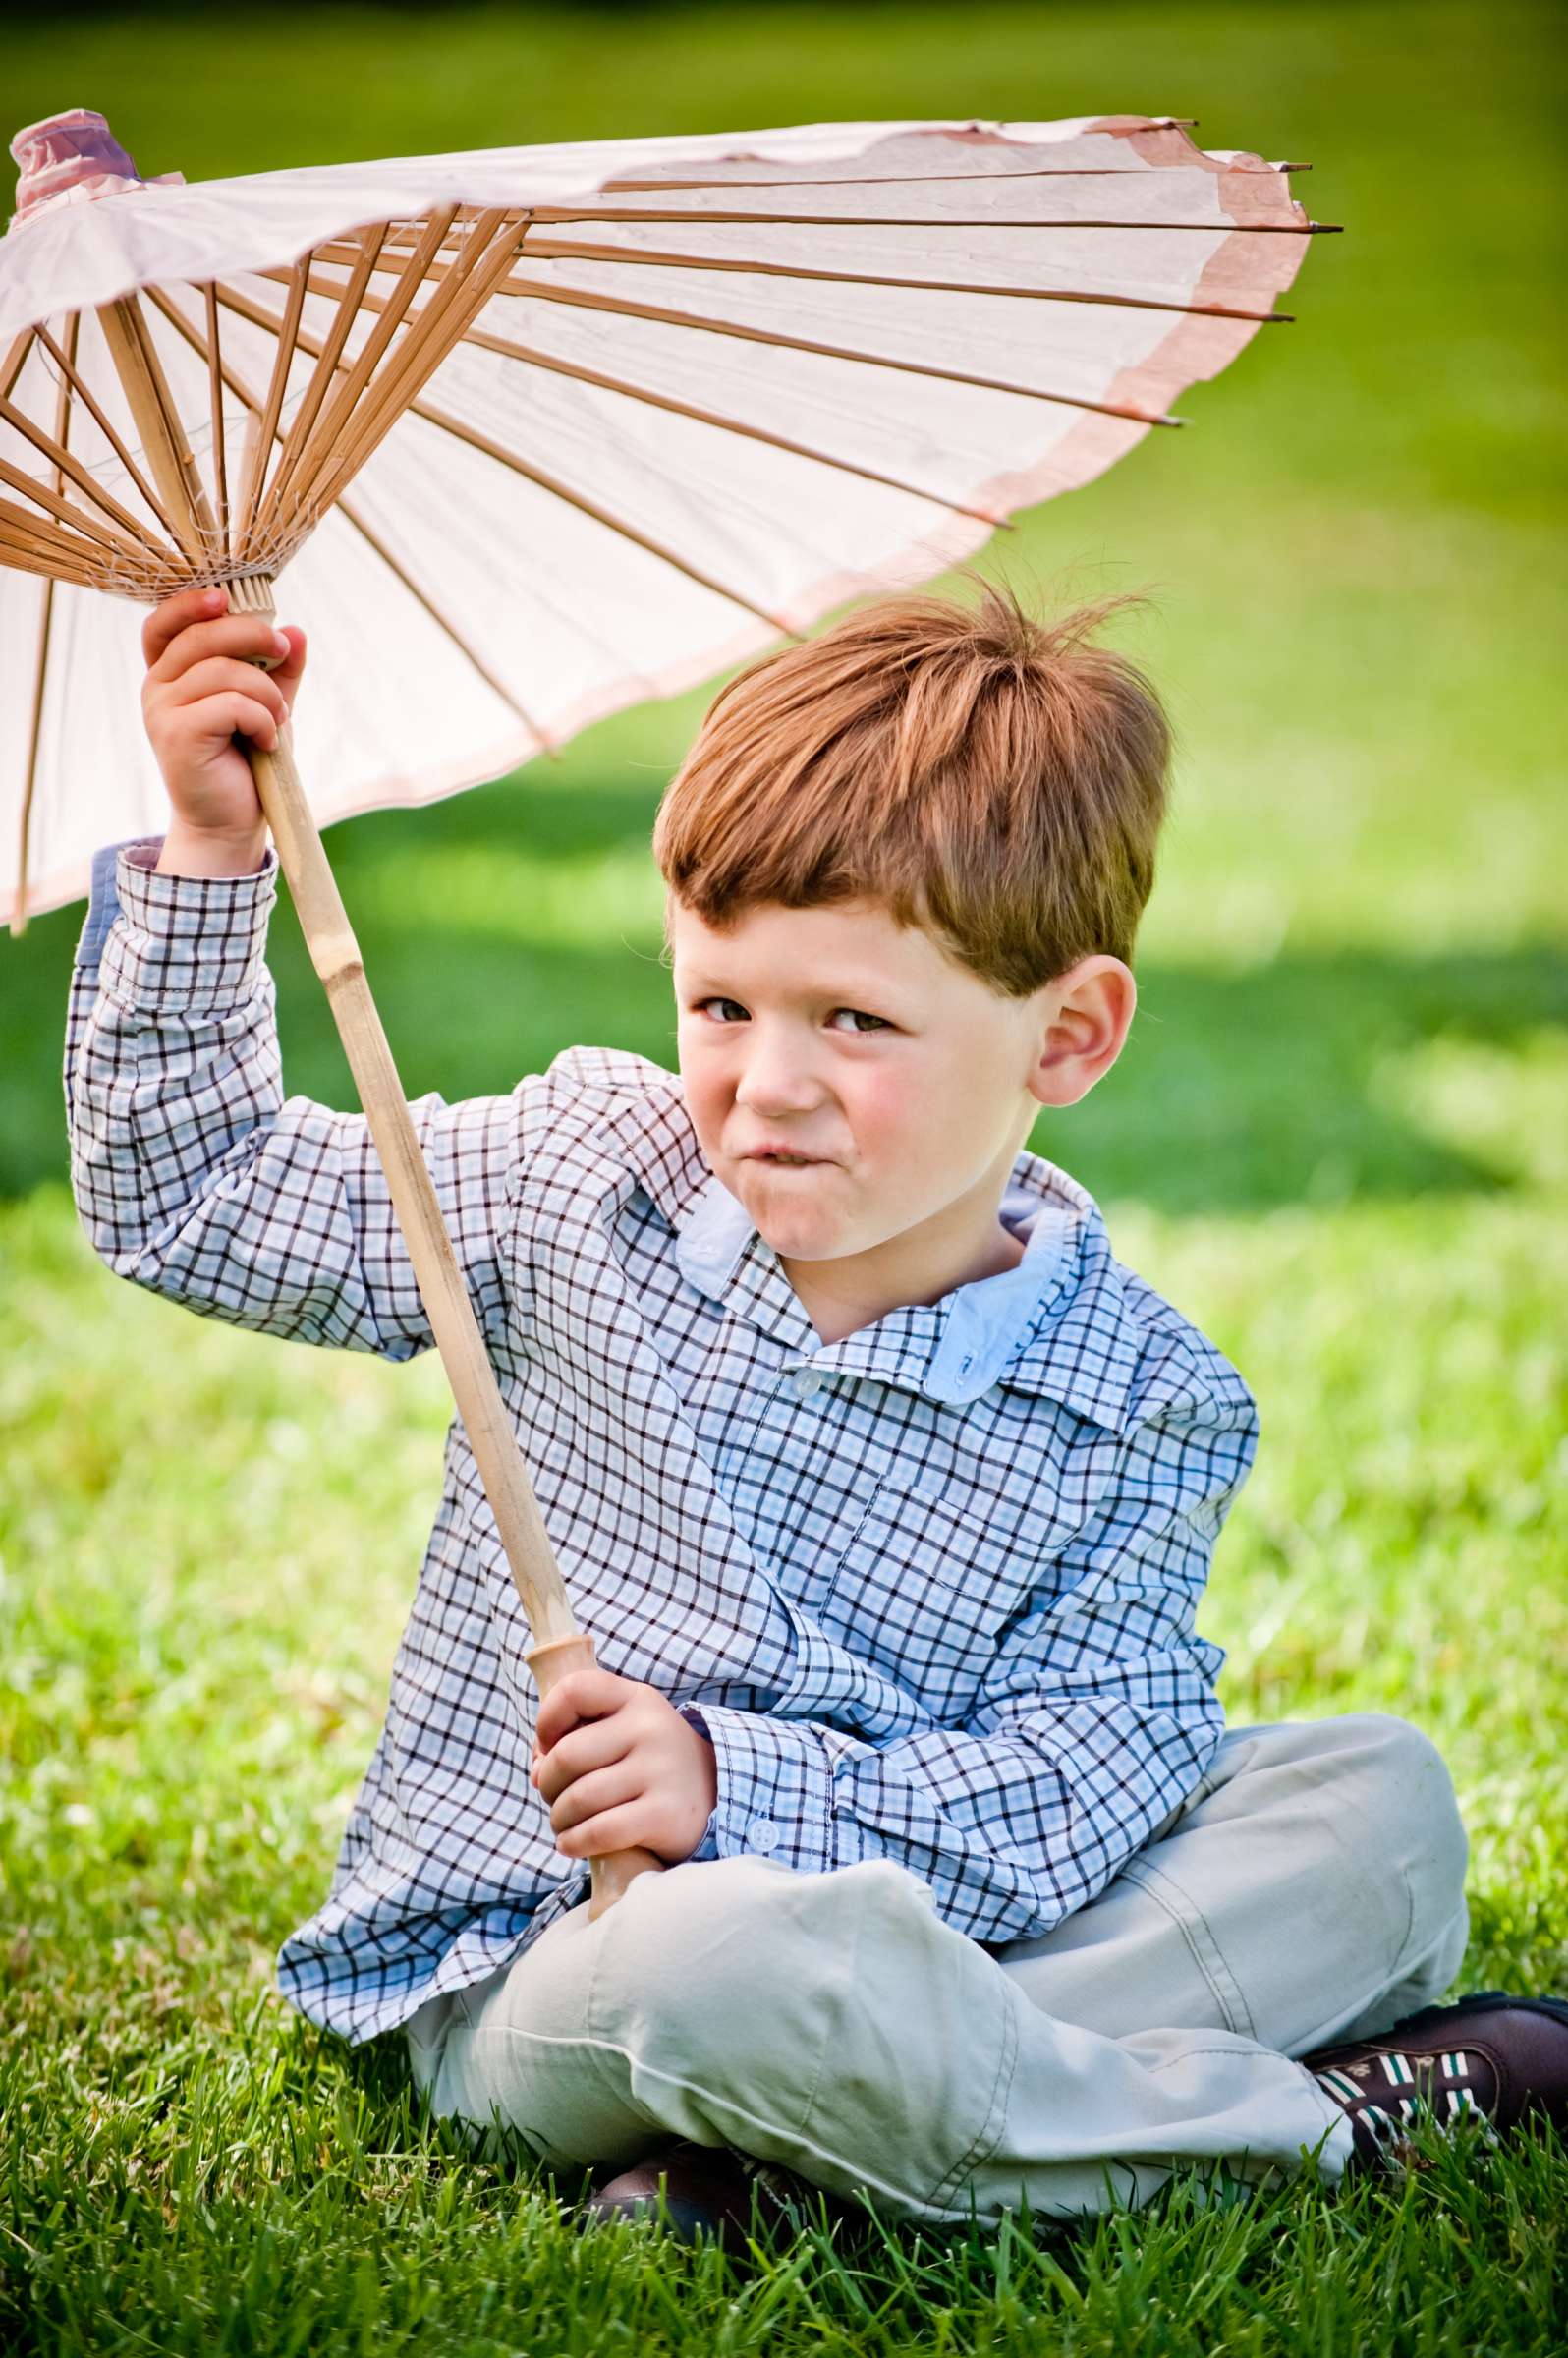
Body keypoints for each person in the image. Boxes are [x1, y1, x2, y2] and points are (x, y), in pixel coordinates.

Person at [64, 580, 1566, 2248]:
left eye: (852, 1021)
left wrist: (734, 1782)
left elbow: (1080, 1778)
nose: (763, 1085)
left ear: (1068, 1033)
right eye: (721, 1005)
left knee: (1374, 1807)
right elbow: (187, 1199)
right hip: (566, 1967)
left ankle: (805, 2177)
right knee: (736, 1965)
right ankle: (1297, 2126)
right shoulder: (575, 1180)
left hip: (958, 1933)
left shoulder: (1138, 1401)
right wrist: (211, 856)